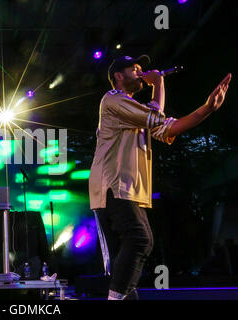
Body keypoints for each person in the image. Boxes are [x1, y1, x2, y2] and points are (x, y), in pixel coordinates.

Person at [89, 54, 231, 300]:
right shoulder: (112, 100)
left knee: (138, 247)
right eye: (136, 69)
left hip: (128, 189)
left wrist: (207, 109)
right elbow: (157, 117)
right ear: (119, 76)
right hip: (112, 186)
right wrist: (158, 84)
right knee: (140, 240)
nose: (141, 73)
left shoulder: (134, 112)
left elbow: (168, 127)